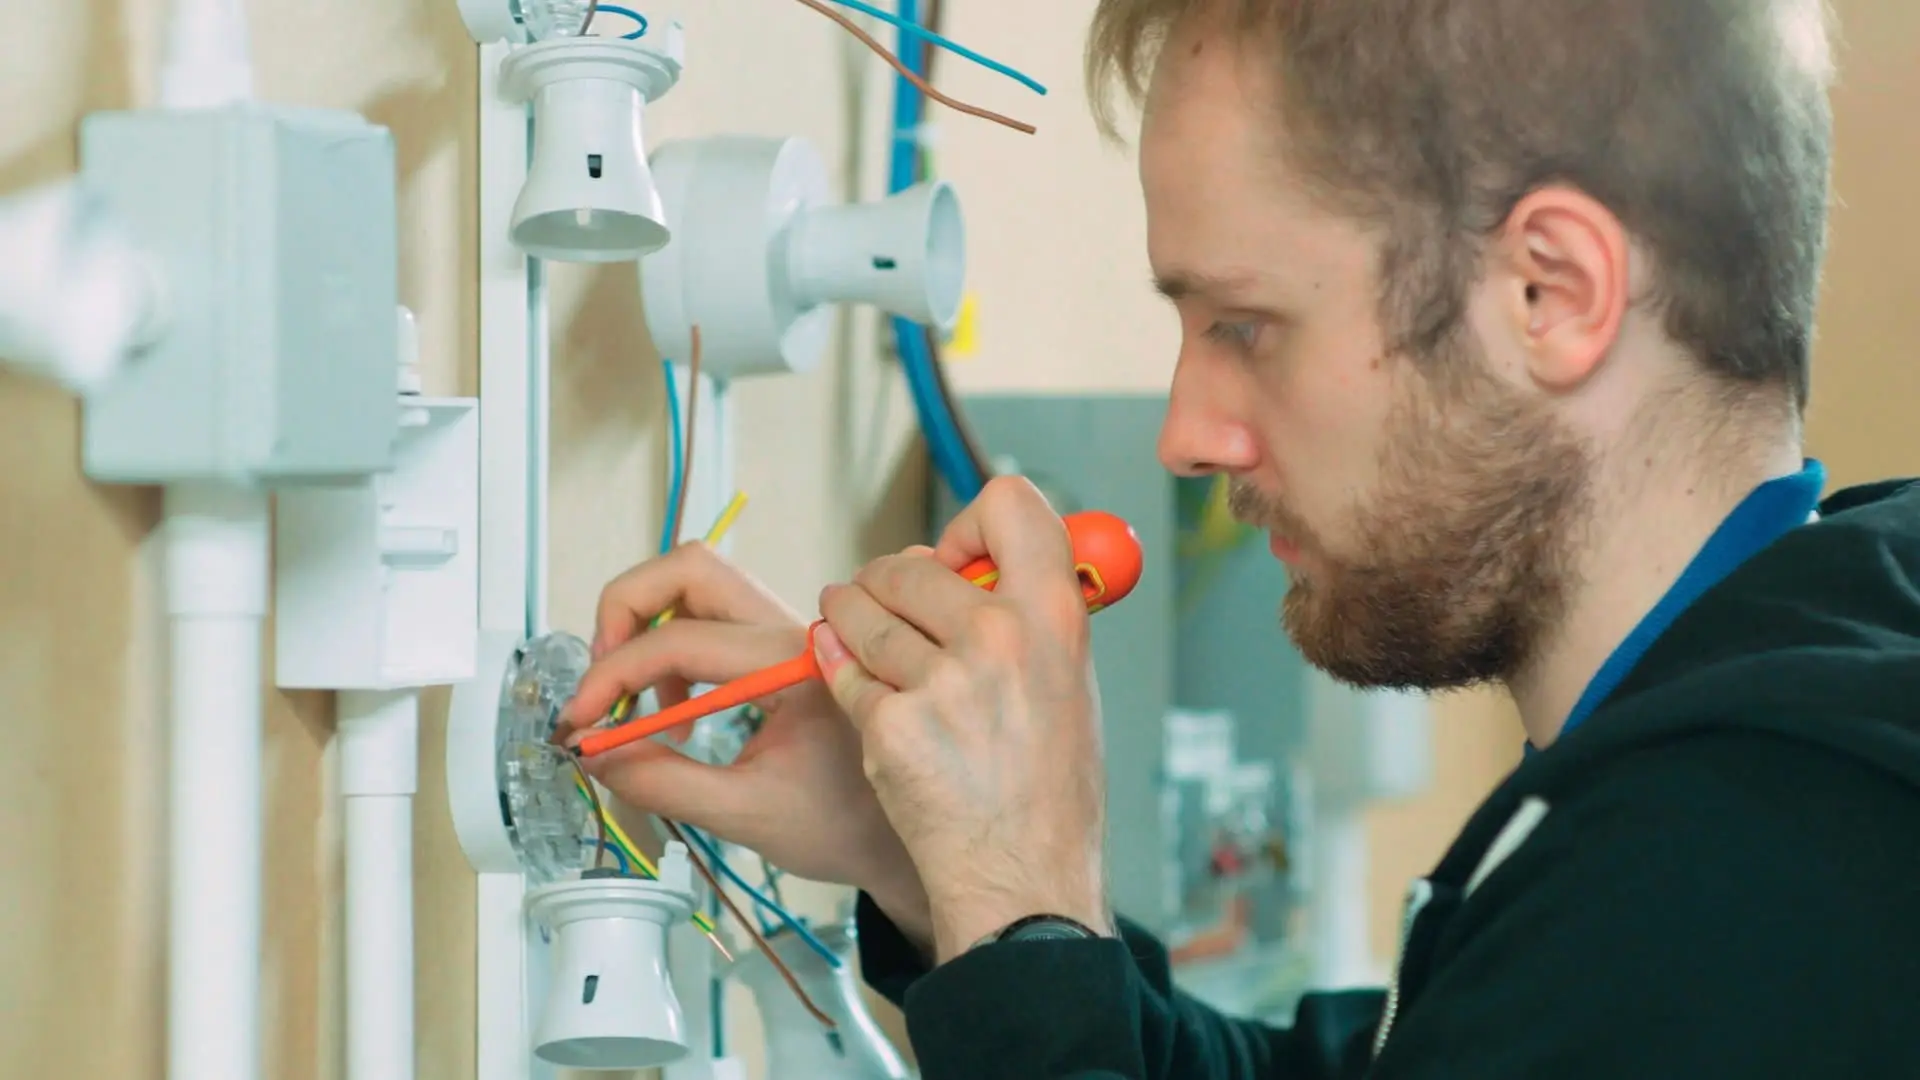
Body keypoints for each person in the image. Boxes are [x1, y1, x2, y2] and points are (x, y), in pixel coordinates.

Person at [558, 0, 1920, 1076]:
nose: (1187, 433)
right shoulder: (1763, 747)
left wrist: (1022, 911)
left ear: (1547, 291)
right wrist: (946, 870)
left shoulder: (1749, 883)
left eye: (1245, 327)